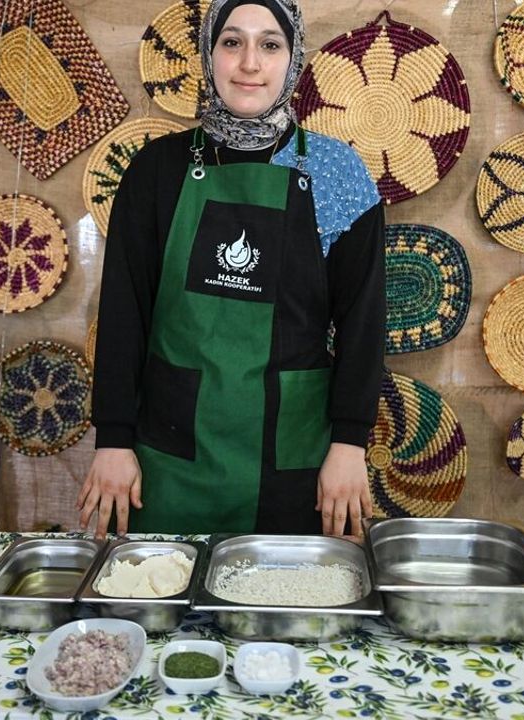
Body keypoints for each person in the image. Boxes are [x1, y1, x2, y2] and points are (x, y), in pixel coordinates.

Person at [78, 0, 385, 538]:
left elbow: (364, 321)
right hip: (169, 457)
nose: (249, 63)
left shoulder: (337, 173)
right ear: (208, 53)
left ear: (293, 58)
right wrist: (113, 438)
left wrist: (349, 442)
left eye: (270, 44)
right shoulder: (156, 170)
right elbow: (124, 313)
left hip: (295, 461)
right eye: (232, 42)